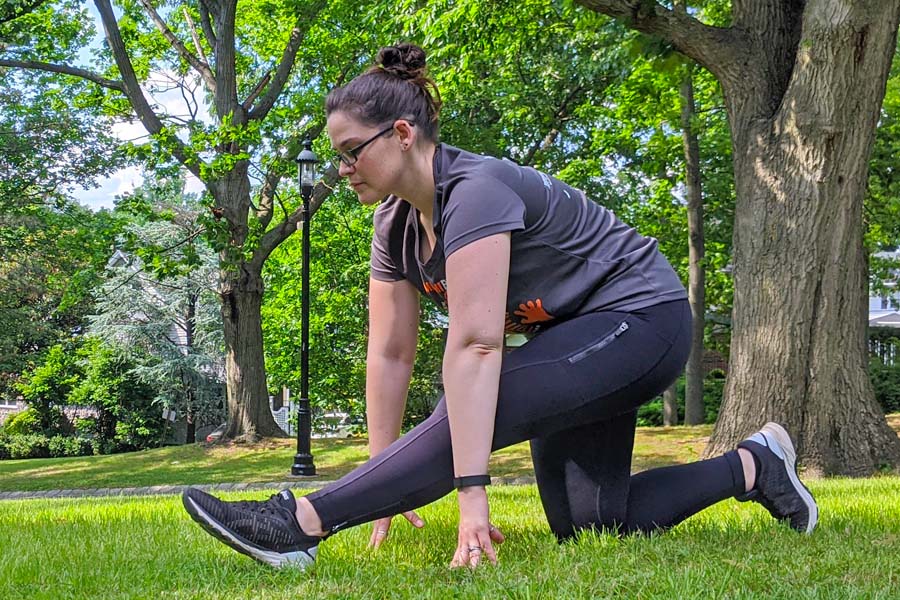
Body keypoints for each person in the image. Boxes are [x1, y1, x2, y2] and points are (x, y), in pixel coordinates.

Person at [182, 43, 818, 570]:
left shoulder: (476, 191)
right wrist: (382, 483)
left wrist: (470, 496)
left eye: (351, 150)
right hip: (570, 343)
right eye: (336, 155)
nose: (341, 168)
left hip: (642, 319)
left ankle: (301, 522)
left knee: (476, 393)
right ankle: (755, 466)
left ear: (402, 134)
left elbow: (478, 347)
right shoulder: (393, 225)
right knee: (595, 525)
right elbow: (391, 352)